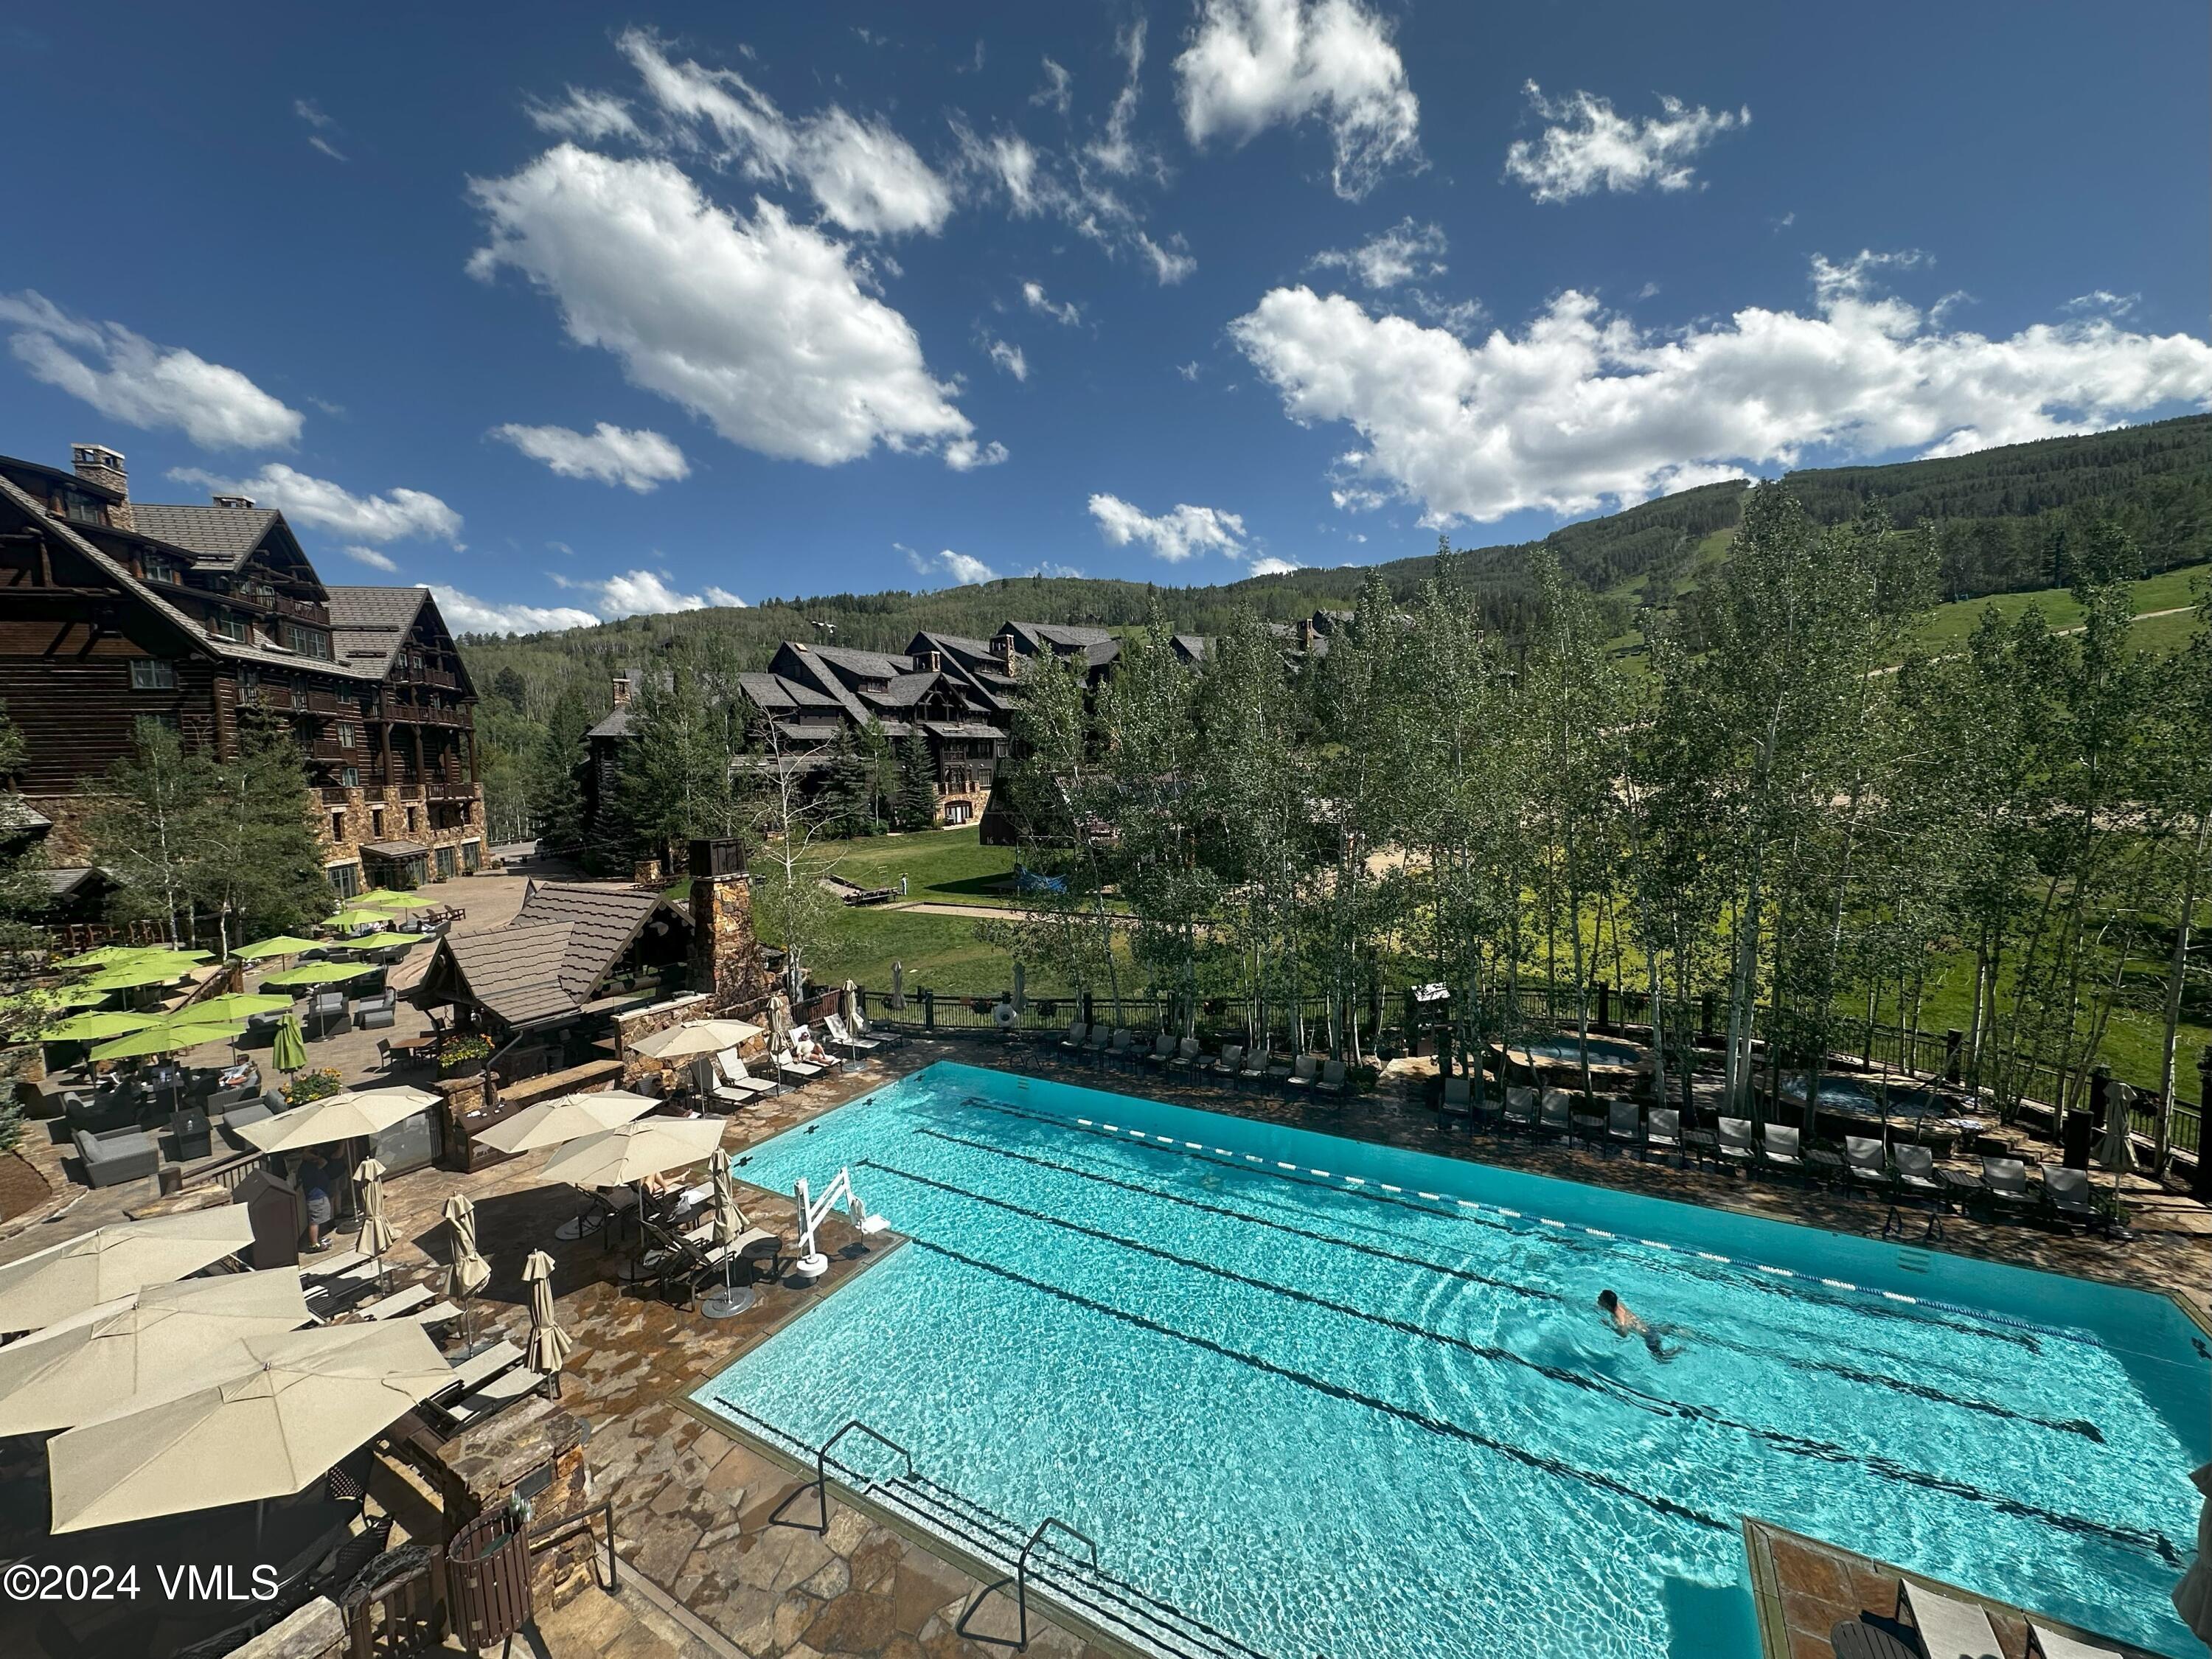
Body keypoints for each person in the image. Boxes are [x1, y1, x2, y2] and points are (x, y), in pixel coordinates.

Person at [1597, 1289, 1681, 1362]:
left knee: (1660, 1357)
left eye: (1600, 1298)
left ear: (1607, 1305)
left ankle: (1681, 1349)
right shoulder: (1620, 1305)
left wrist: (1608, 1325)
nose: (1598, 1298)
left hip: (1649, 1336)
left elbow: (1624, 1334)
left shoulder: (1619, 1319)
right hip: (1650, 1327)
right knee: (1672, 1329)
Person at [299, 1153, 335, 1253]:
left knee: (319, 1220)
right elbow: (323, 1162)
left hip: (319, 1196)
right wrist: (313, 1157)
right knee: (315, 1221)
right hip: (315, 1198)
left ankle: (318, 1239)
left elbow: (324, 1163)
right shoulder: (306, 1167)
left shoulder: (309, 1165)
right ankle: (314, 1244)